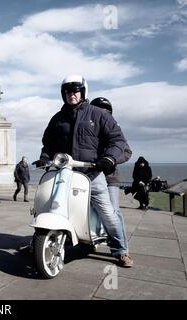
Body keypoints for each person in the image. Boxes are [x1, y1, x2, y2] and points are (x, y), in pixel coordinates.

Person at [35, 75, 133, 268]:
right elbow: (48, 143)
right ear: (63, 94)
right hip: (64, 172)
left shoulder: (98, 114)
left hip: (92, 173)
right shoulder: (57, 118)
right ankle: (37, 242)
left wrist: (109, 158)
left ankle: (121, 250)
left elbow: (117, 140)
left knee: (108, 213)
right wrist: (45, 157)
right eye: (68, 91)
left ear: (83, 92)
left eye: (76, 90)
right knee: (47, 204)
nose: (72, 94)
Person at [91, 97, 132, 254]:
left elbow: (127, 151)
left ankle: (121, 250)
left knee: (114, 212)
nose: (103, 113)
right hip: (88, 175)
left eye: (106, 111)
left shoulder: (114, 128)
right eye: (99, 109)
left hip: (109, 177)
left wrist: (111, 160)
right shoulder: (88, 127)